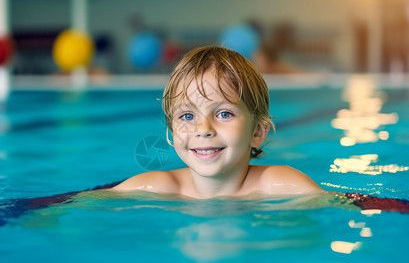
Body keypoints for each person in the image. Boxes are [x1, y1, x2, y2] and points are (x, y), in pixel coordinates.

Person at [109, 46, 322, 199]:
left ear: (257, 131)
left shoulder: (279, 184)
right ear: (172, 133)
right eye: (188, 116)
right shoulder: (155, 187)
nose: (203, 130)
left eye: (224, 114)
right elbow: (81, 203)